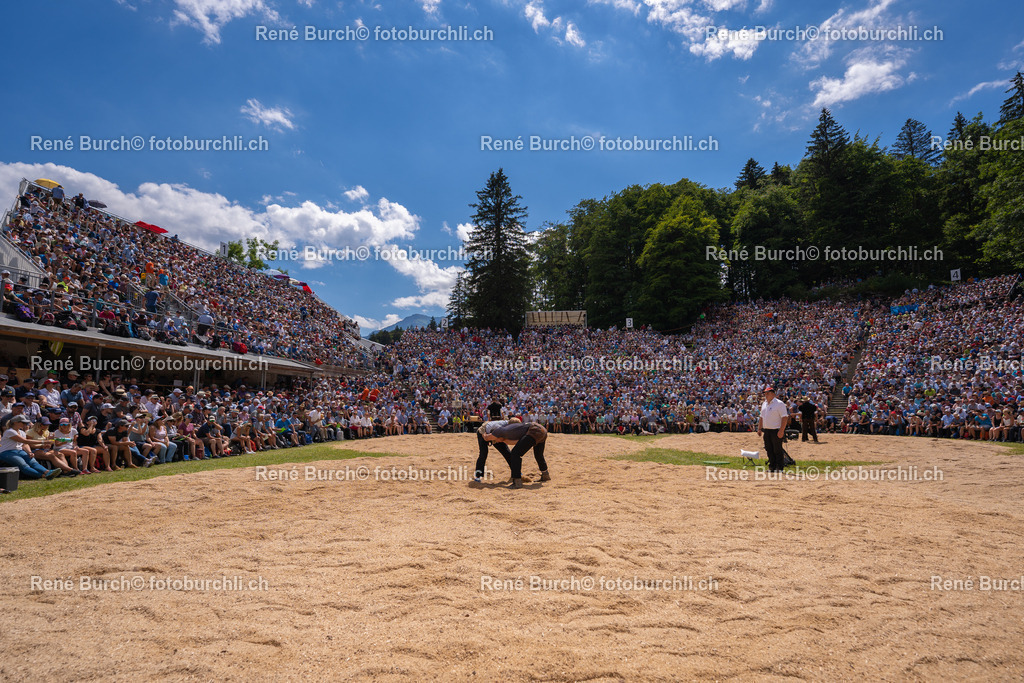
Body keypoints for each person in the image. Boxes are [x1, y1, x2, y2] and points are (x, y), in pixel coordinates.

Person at [483, 421, 551, 489]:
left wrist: (483, 431)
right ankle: (545, 475)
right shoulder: (511, 431)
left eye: (495, 440)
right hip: (542, 430)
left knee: (515, 454)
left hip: (533, 431)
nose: (497, 442)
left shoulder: (498, 431)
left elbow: (486, 437)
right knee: (538, 455)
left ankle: (517, 482)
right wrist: (503, 440)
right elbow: (519, 442)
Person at [0, 415, 60, 479]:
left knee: (33, 462)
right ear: (15, 422)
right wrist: (44, 442)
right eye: (23, 423)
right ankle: (43, 476)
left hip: (19, 451)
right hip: (6, 452)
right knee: (23, 465)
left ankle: (47, 472)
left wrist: (29, 452)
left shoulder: (22, 432)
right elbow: (25, 441)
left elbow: (24, 444)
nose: (25, 424)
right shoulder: (10, 431)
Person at [758, 387, 789, 473]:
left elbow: (785, 417)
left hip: (776, 430)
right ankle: (772, 466)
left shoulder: (779, 404)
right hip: (767, 430)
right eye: (765, 393)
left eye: (767, 393)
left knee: (777, 449)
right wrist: (759, 428)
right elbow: (761, 417)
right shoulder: (764, 403)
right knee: (769, 449)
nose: (765, 395)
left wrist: (781, 430)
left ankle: (779, 467)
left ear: (773, 394)